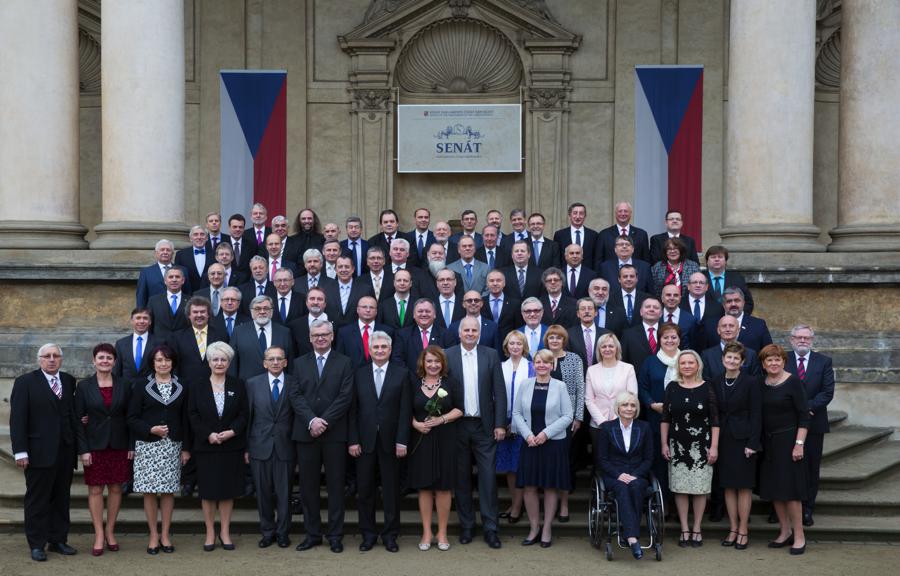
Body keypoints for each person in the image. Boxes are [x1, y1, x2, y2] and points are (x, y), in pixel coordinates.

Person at [10, 343, 79, 562]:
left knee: (61, 498)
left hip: (65, 452)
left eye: (56, 356)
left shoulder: (68, 381)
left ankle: (58, 539)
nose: (51, 359)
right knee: (37, 500)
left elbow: (69, 412)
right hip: (38, 452)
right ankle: (37, 544)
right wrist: (20, 451)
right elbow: (18, 420)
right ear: (39, 360)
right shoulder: (25, 383)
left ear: (61, 359)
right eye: (47, 356)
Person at [290, 320, 354, 553]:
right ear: (309, 337)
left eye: (325, 334)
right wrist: (311, 420)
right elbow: (295, 395)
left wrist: (324, 421)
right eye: (316, 335)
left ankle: (335, 535)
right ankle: (313, 534)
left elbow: (345, 396)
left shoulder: (345, 363)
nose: (320, 338)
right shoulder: (298, 363)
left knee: (336, 487)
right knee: (308, 488)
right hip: (306, 433)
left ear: (332, 336)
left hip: (334, 433)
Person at [447, 317, 507, 549]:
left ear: (479, 333)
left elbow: (499, 392)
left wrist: (500, 424)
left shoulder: (490, 354)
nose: (470, 333)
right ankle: (467, 527)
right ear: (459, 332)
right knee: (461, 480)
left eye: (474, 330)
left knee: (488, 479)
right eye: (467, 330)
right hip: (457, 426)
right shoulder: (448, 354)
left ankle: (491, 528)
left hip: (485, 427)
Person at [348, 331, 411, 552]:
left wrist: (402, 440)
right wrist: (353, 440)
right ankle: (368, 534)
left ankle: (391, 535)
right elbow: (352, 411)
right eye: (376, 347)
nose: (380, 350)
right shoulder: (359, 374)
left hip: (391, 443)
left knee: (391, 491)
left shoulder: (402, 374)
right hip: (364, 443)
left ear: (390, 349)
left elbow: (405, 411)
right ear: (370, 350)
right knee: (365, 491)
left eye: (384, 347)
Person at [127, 344, 191, 555]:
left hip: (173, 446)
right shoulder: (140, 385)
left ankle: (165, 534)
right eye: (159, 360)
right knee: (150, 492)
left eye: (167, 360)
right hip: (148, 445)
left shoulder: (183, 385)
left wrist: (186, 448)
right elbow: (131, 418)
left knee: (168, 492)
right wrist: (150, 429)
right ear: (152, 363)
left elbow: (186, 419)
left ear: (173, 362)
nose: (163, 364)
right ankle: (153, 535)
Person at [74, 343, 133, 556]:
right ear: (94, 361)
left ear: (115, 362)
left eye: (109, 358)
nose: (105, 361)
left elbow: (131, 417)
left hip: (119, 444)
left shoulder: (125, 385)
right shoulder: (83, 387)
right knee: (96, 490)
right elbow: (78, 421)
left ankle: (110, 531)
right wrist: (83, 450)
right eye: (101, 358)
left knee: (116, 488)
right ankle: (98, 533)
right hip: (94, 446)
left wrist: (131, 446)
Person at [512, 349, 574, 548]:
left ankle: (547, 528)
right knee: (529, 487)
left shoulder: (560, 386)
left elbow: (567, 416)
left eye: (546, 362)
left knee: (549, 486)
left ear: (552, 365)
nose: (541, 365)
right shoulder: (525, 384)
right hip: (530, 442)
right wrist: (528, 435)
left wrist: (545, 434)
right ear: (533, 364)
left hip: (552, 443)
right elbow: (516, 413)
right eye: (538, 361)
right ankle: (534, 528)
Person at [406, 346, 464, 551]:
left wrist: (441, 419)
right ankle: (426, 532)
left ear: (442, 363)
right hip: (420, 440)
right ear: (423, 362)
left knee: (443, 487)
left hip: (445, 439)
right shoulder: (412, 383)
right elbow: (405, 409)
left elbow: (459, 409)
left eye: (436, 361)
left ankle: (442, 532)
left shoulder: (451, 383)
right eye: (429, 361)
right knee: (424, 487)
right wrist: (415, 424)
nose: (433, 365)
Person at [661, 350, 719, 548]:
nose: (686, 366)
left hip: (701, 446)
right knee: (681, 488)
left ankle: (697, 528)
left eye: (690, 363)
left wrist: (714, 447)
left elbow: (715, 420)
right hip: (677, 445)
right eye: (683, 363)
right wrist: (663, 443)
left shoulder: (707, 387)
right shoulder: (672, 387)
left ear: (698, 365)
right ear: (678, 366)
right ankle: (684, 528)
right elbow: (665, 419)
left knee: (700, 488)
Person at [758, 344, 810, 555]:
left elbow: (804, 416)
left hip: (789, 442)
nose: (773, 363)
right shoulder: (761, 383)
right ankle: (784, 531)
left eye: (777, 359)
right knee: (774, 490)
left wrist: (799, 444)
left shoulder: (793, 382)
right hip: (768, 443)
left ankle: (799, 536)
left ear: (783, 361)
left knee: (791, 491)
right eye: (769, 360)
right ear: (763, 363)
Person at [245, 347, 295, 549]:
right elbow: (248, 417)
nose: (275, 362)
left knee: (284, 493)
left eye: (279, 359)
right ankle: (267, 532)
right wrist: (246, 448)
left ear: (285, 362)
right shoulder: (252, 384)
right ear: (264, 363)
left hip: (286, 446)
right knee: (263, 493)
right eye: (271, 359)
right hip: (259, 446)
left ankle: (283, 533)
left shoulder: (294, 382)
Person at [712, 342, 761, 550]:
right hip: (723, 439)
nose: (731, 361)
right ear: (723, 359)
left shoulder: (751, 382)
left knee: (744, 486)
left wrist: (753, 442)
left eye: (736, 358)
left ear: (742, 362)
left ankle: (743, 529)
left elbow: (757, 414)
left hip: (744, 440)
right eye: (728, 357)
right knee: (728, 486)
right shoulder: (715, 381)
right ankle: (732, 528)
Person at [785, 324, 834, 527]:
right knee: (786, 467)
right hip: (786, 423)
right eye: (798, 337)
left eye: (806, 338)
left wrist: (806, 410)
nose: (802, 341)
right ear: (791, 340)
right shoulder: (781, 358)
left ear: (812, 340)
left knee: (811, 468)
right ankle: (781, 509)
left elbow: (827, 391)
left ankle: (807, 509)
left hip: (814, 424)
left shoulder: (823, 361)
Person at [595, 392, 654, 560]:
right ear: (618, 408)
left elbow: (649, 458)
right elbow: (602, 459)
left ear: (637, 409)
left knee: (635, 486)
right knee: (621, 488)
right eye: (625, 405)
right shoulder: (607, 428)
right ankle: (632, 538)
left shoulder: (645, 428)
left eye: (633, 405)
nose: (629, 408)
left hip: (638, 475)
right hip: (614, 476)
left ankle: (630, 535)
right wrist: (619, 474)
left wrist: (634, 475)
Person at [544, 325, 585, 522]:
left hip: (567, 419)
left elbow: (580, 388)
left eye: (558, 338)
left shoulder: (574, 359)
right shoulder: (541, 358)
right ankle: (549, 504)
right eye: (551, 337)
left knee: (565, 463)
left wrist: (578, 417)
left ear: (563, 340)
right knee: (549, 462)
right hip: (544, 420)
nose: (554, 341)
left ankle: (564, 505)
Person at [636, 323, 682, 499]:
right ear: (659, 340)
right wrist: (651, 403)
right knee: (659, 462)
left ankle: (679, 506)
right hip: (656, 418)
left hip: (682, 420)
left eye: (673, 337)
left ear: (679, 339)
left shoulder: (686, 359)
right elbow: (642, 387)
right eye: (665, 337)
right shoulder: (650, 361)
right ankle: (661, 502)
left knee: (680, 462)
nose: (669, 340)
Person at [498, 331, 533, 524]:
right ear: (506, 346)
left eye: (519, 343)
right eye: (511, 343)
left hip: (524, 423)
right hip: (503, 422)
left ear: (524, 346)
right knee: (509, 467)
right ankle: (514, 502)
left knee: (520, 465)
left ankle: (518, 507)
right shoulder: (500, 367)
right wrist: (502, 422)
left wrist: (518, 422)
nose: (515, 347)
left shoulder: (531, 367)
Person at [229, 295, 294, 381]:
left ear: (271, 311)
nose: (262, 311)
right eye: (257, 309)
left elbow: (290, 362)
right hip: (246, 387)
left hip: (277, 386)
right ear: (251, 311)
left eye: (266, 308)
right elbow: (233, 364)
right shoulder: (239, 332)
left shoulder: (284, 332)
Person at [136, 239, 191, 307]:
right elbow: (141, 296)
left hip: (179, 311)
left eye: (168, 250)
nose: (165, 252)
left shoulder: (183, 270)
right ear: (156, 253)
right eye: (162, 250)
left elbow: (187, 293)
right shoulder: (146, 272)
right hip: (155, 312)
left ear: (172, 253)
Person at [704, 245, 754, 314]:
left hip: (732, 321)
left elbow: (748, 303)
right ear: (707, 261)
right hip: (705, 322)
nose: (717, 259)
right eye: (713, 257)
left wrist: (737, 319)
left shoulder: (737, 278)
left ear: (725, 261)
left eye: (720, 257)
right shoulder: (699, 278)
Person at [553, 202, 598, 271]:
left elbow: (596, 258)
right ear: (569, 215)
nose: (578, 216)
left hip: (588, 274)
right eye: (575, 213)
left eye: (581, 213)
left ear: (585, 216)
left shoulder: (593, 235)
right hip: (565, 275)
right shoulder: (559, 235)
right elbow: (557, 258)